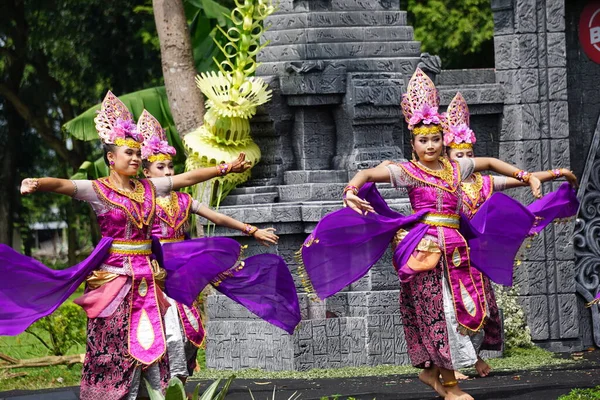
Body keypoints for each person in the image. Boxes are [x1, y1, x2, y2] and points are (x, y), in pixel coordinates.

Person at [297, 68, 578, 400]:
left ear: (444, 139)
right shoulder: (409, 172)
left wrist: (529, 175)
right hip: (425, 251)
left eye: (435, 138)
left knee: (460, 312)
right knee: (439, 315)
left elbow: (488, 164)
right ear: (413, 144)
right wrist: (350, 190)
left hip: (457, 250)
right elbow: (368, 172)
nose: (430, 145)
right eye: (423, 140)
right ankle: (451, 387)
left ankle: (432, 374)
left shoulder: (456, 168)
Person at [0, 91, 251, 399]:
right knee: (116, 340)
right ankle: (112, 393)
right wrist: (38, 183)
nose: (134, 158)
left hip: (151, 275)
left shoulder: (148, 187)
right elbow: (64, 185)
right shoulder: (97, 190)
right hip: (116, 278)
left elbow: (185, 179)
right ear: (111, 158)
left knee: (169, 332)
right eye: (128, 153)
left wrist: (224, 168)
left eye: (137, 153)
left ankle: (158, 392)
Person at [137, 109, 298, 382]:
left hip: (185, 271)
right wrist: (225, 167)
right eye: (159, 167)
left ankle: (179, 380)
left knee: (190, 330)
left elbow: (216, 216)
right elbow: (188, 179)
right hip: (153, 271)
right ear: (146, 171)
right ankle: (167, 384)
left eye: (169, 167)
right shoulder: (141, 197)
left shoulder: (184, 201)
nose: (167, 172)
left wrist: (251, 230)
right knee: (168, 330)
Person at [442, 92, 578, 380]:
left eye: (469, 154)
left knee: (484, 309)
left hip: (478, 257)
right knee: (455, 309)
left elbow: (518, 179)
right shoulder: (444, 183)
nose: (466, 160)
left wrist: (553, 173)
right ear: (448, 157)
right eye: (459, 155)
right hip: (450, 255)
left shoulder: (485, 182)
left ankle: (474, 356)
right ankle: (454, 365)